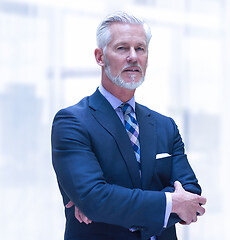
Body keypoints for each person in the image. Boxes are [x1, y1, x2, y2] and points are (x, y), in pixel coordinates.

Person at [51, 11, 206, 240]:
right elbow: (95, 198)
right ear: (100, 56)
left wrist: (108, 206)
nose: (133, 57)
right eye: (122, 48)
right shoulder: (72, 122)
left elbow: (191, 195)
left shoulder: (165, 126)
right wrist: (171, 202)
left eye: (140, 48)